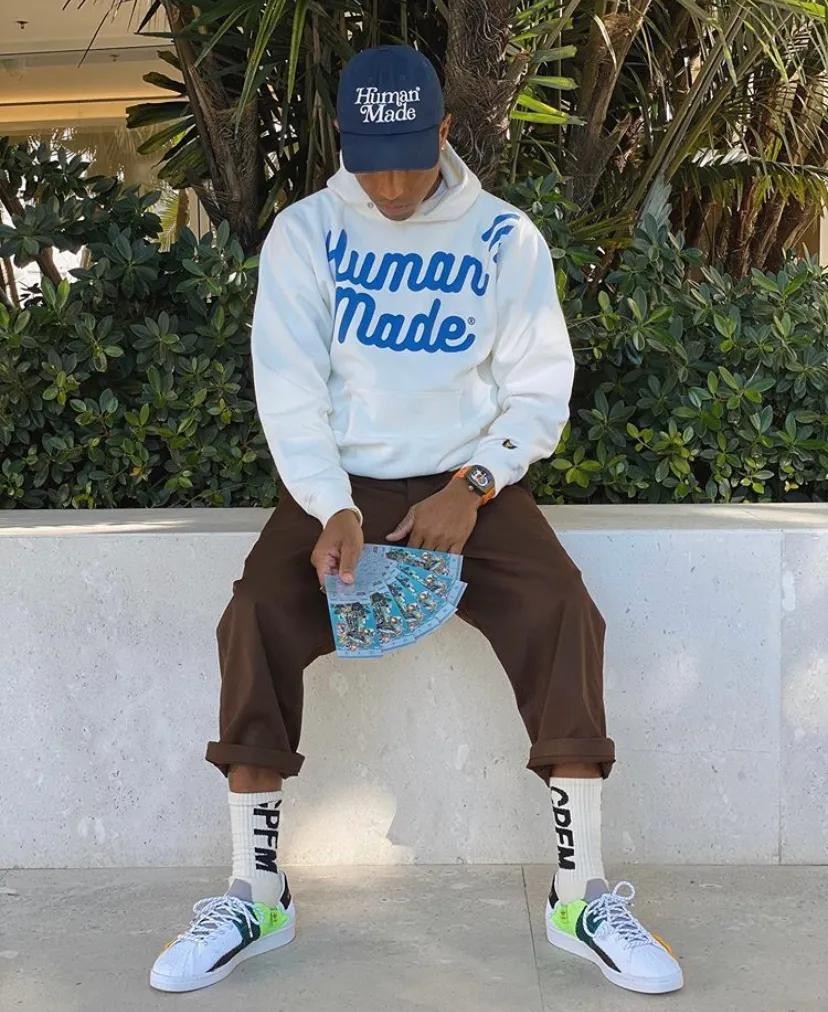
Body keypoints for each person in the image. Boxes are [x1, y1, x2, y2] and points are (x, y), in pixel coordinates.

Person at [149, 44, 684, 996]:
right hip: (339, 484)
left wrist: (473, 486)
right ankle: (255, 893)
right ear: (342, 140)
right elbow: (290, 390)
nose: (391, 187)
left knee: (563, 610)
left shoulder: (504, 237)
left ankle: (581, 894)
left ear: (445, 131)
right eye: (370, 163)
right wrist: (334, 505)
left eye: (408, 159)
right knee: (255, 616)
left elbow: (538, 388)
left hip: (467, 482)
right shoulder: (306, 234)